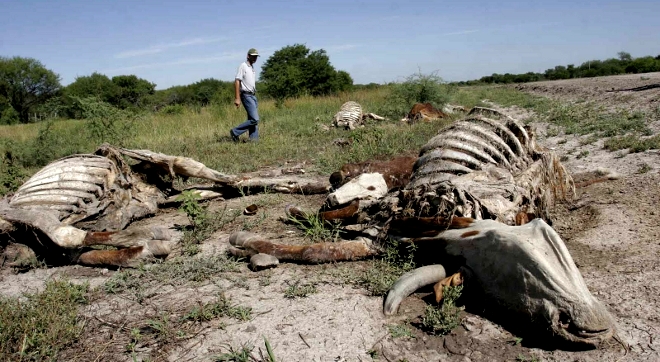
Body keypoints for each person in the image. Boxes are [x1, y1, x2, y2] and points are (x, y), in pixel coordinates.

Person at [230, 48, 260, 142]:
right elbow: (237, 81)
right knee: (255, 119)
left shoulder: (251, 67)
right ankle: (235, 132)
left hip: (252, 95)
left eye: (256, 56)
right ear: (248, 56)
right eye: (253, 56)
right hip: (246, 95)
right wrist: (237, 98)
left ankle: (254, 140)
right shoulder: (243, 66)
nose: (255, 58)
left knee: (252, 119)